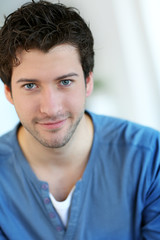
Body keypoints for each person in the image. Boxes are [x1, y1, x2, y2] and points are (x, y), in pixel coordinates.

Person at [0, 1, 160, 239]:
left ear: (88, 82)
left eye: (65, 82)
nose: (50, 108)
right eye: (30, 86)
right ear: (9, 93)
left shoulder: (149, 157)